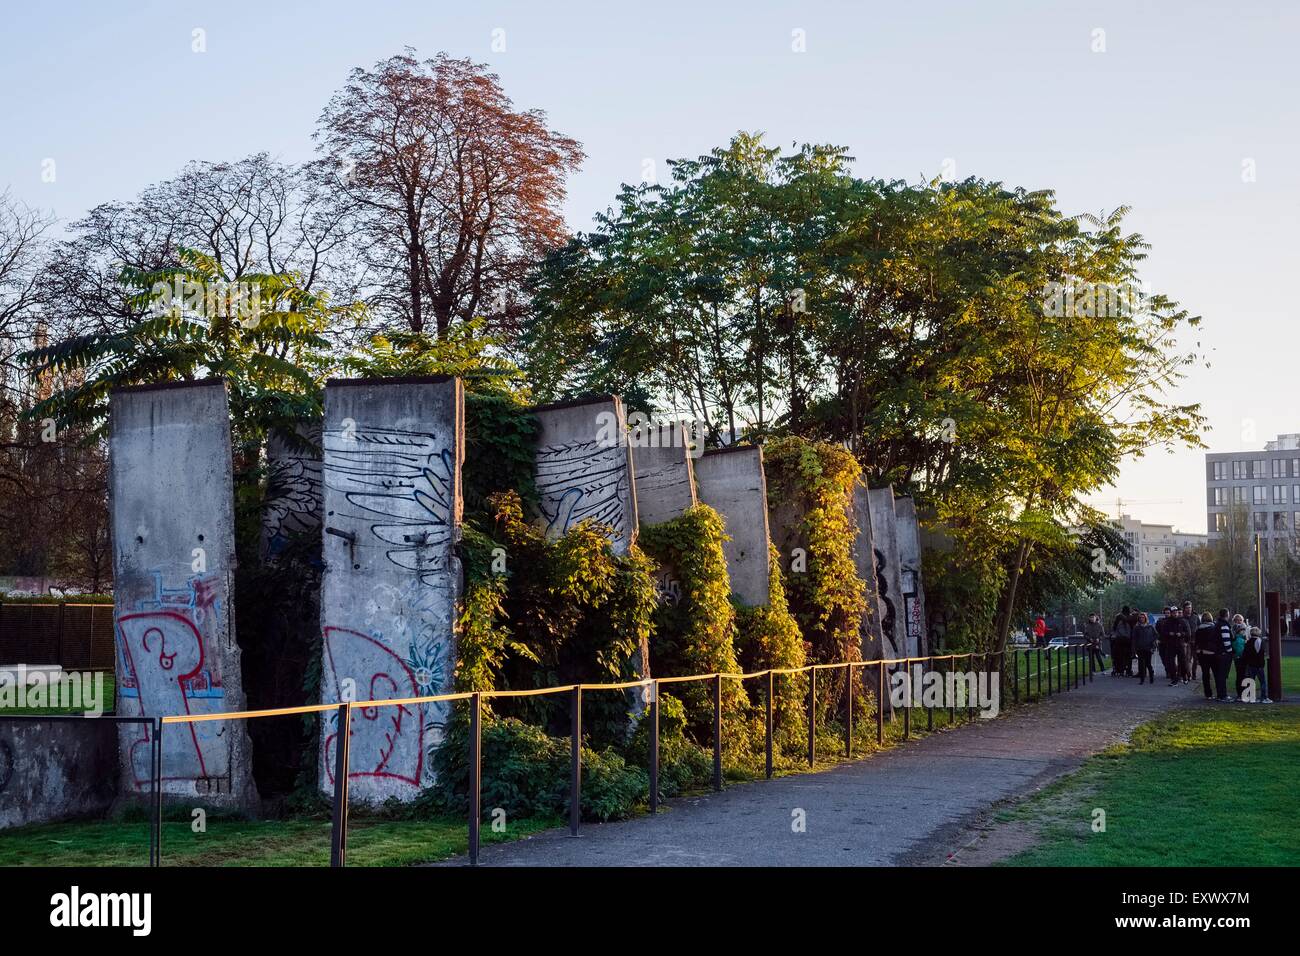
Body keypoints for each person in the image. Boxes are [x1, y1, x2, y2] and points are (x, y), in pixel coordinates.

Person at [1194, 612, 1222, 700]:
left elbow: (1196, 641)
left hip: (1201, 653)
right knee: (1216, 673)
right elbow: (1217, 641)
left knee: (1205, 674)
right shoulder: (1214, 628)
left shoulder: (1198, 629)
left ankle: (1208, 694)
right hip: (1211, 652)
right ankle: (1219, 693)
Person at [1239, 626, 1272, 703]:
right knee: (1262, 682)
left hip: (1251, 664)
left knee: (1251, 681)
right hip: (1259, 664)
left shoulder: (1248, 642)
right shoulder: (1261, 641)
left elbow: (1245, 654)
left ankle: (1251, 697)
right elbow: (1262, 653)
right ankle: (1263, 697)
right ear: (1258, 633)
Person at [1213, 608, 1235, 701]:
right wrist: (1230, 651)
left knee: (1219, 675)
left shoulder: (1217, 624)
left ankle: (1220, 694)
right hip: (1224, 653)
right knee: (1222, 675)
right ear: (1227, 614)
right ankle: (1223, 695)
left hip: (1218, 653)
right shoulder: (1224, 626)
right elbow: (1226, 641)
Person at [1132, 612, 1158, 685]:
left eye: (1143, 617)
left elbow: (1156, 635)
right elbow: (1134, 638)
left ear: (1145, 618)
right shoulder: (1136, 627)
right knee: (1141, 664)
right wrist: (1134, 648)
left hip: (1148, 647)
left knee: (1148, 663)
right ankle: (1142, 679)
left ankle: (1151, 676)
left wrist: (1153, 642)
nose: (1141, 619)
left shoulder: (1150, 627)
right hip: (1140, 648)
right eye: (1140, 618)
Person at [1111, 605, 1133, 676]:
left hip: (1119, 639)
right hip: (1128, 639)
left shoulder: (1118, 617)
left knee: (1119, 655)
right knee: (1128, 656)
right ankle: (1128, 670)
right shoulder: (1130, 617)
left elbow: (1114, 627)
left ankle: (1119, 669)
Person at [1231, 617, 1249, 698]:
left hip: (1241, 656)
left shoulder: (1246, 630)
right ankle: (1242, 692)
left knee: (1243, 674)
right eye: (1237, 620)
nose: (1238, 621)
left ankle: (1243, 692)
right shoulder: (1234, 632)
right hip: (1239, 657)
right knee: (1241, 674)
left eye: (1240, 620)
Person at [1183, 601, 1198, 680]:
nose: (1189, 609)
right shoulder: (1182, 618)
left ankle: (1194, 674)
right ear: (1184, 609)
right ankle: (1189, 674)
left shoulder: (1195, 617)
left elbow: (1199, 627)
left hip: (1195, 641)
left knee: (1196, 659)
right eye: (1187, 608)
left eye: (1190, 607)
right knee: (1187, 659)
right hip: (1186, 641)